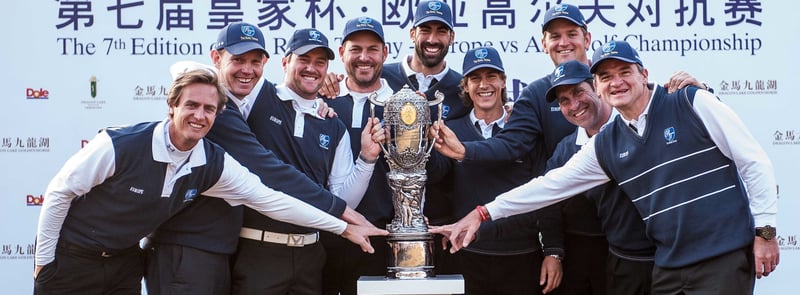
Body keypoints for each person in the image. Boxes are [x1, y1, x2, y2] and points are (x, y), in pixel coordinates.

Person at [433, 40, 779, 295]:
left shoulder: (690, 101)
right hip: (669, 266)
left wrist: (765, 232)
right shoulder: (607, 143)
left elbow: (753, 162)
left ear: (643, 74)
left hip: (721, 257)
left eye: (624, 72)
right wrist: (482, 213)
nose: (616, 83)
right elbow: (550, 186)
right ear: (599, 85)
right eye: (606, 77)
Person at [32, 68, 386, 295]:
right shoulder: (119, 144)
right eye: (191, 106)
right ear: (172, 105)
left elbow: (271, 199)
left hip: (124, 264)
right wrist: (44, 261)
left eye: (209, 109)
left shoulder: (212, 163)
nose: (200, 116)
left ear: (219, 115)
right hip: (71, 261)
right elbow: (60, 192)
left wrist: (340, 228)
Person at [144, 22, 373, 295]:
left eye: (255, 61)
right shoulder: (223, 108)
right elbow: (268, 171)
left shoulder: (323, 120)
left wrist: (318, 102)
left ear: (265, 62)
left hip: (235, 252)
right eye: (238, 60)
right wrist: (342, 217)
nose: (247, 70)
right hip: (193, 250)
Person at [229, 27, 382, 295]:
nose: (312, 68)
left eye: (320, 62)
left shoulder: (334, 126)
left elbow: (343, 200)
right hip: (258, 252)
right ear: (285, 62)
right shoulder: (258, 96)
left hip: (311, 255)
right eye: (303, 59)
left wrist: (367, 159)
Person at [426, 46, 563, 294]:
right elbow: (437, 176)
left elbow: (546, 193)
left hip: (522, 257)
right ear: (465, 86)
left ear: (503, 81)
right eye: (475, 78)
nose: (483, 84)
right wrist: (420, 138)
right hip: (466, 256)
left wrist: (554, 250)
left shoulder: (525, 130)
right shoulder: (450, 129)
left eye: (491, 76)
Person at [543, 59, 655, 295]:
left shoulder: (639, 124)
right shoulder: (565, 150)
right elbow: (547, 200)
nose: (574, 105)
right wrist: (553, 252)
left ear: (596, 87)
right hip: (587, 256)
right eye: (564, 101)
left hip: (653, 258)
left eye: (579, 92)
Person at [320, 16, 397, 295]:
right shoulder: (321, 100)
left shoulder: (401, 105)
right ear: (342, 53)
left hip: (378, 242)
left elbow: (431, 171)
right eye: (355, 49)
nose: (364, 57)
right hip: (323, 237)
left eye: (372, 49)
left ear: (385, 54)